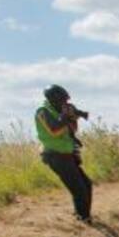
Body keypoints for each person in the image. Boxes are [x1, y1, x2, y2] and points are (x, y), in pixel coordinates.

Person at [35, 85, 93, 223]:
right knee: (79, 189)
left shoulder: (60, 110)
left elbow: (72, 130)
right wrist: (65, 117)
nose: (66, 103)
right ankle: (83, 218)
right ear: (54, 100)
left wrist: (74, 118)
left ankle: (82, 215)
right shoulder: (42, 111)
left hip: (67, 154)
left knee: (87, 184)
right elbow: (54, 131)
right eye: (63, 101)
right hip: (54, 155)